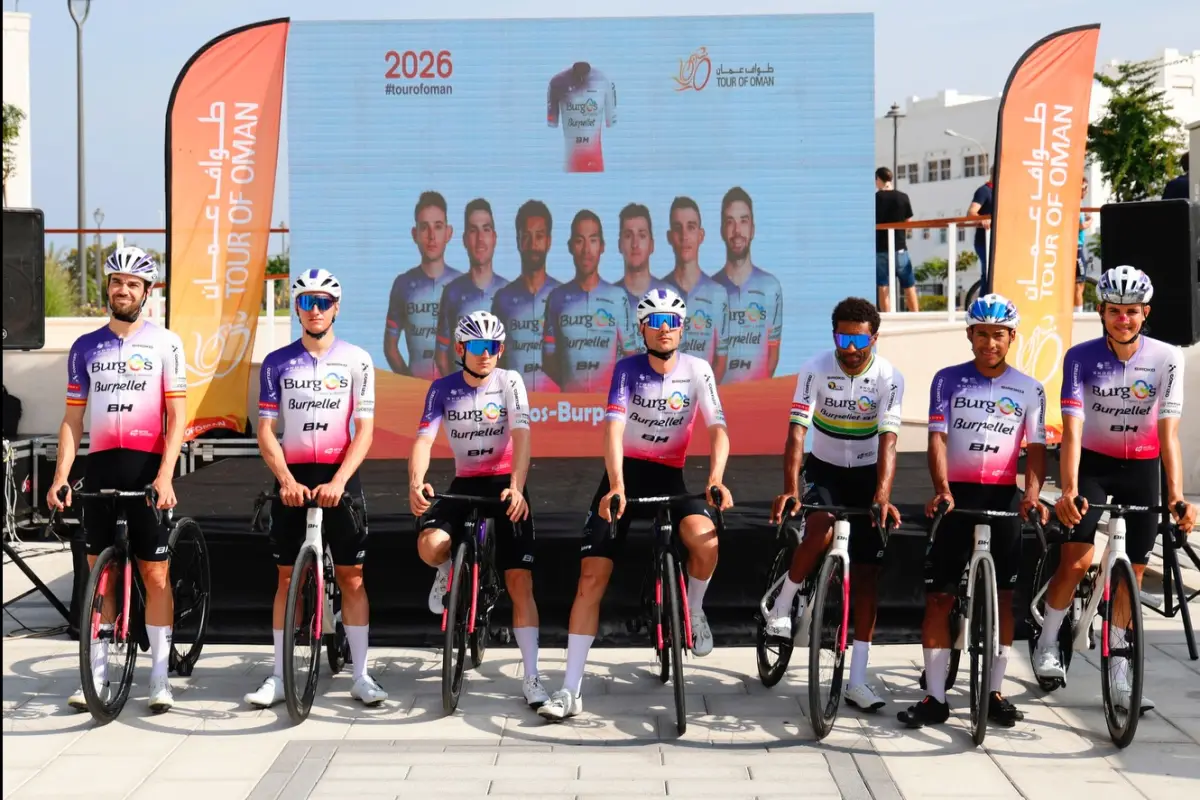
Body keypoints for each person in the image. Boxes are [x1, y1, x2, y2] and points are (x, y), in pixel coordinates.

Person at [538, 288, 734, 722]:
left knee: (706, 542)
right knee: (591, 579)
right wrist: (616, 485)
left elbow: (717, 429)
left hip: (671, 477)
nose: (665, 329)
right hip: (623, 477)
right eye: (655, 322)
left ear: (682, 328)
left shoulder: (697, 370)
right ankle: (570, 689)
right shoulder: (627, 370)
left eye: (672, 322)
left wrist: (716, 478)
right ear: (641, 329)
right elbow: (613, 429)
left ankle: (694, 609)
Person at [1032, 266, 1196, 713]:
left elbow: (1168, 434)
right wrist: (1068, 489)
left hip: (1142, 467)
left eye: (1132, 311)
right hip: (1094, 465)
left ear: (1145, 313)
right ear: (1101, 312)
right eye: (1114, 311)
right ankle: (1048, 640)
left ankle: (1121, 673)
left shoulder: (1167, 358)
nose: (1123, 319)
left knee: (1132, 575)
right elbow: (1072, 429)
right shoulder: (1080, 357)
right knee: (1077, 559)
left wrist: (1176, 496)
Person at [900, 294, 1050, 729]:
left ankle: (994, 692)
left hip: (1003, 496)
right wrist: (942, 489)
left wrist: (1031, 495)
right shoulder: (947, 379)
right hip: (958, 495)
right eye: (981, 334)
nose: (989, 343)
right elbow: (937, 439)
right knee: (939, 597)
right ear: (969, 335)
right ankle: (934, 697)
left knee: (1004, 598)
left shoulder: (1030, 388)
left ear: (1012, 337)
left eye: (998, 335)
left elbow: (1036, 450)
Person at [48, 246, 187, 713]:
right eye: (115, 282)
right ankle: (97, 672)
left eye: (132, 283)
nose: (122, 289)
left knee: (155, 572)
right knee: (100, 576)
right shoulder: (85, 346)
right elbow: (73, 419)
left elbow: (177, 417)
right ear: (107, 288)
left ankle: (160, 678)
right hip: (102, 466)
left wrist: (166, 476)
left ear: (147, 292)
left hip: (147, 466)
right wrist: (61, 475)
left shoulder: (166, 343)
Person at [245, 269, 386, 709]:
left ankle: (361, 675)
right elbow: (266, 430)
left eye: (324, 302)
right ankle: (279, 675)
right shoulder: (277, 362)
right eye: (307, 302)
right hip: (293, 475)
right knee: (286, 578)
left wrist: (340, 481)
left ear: (336, 308)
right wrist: (285, 479)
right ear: (297, 308)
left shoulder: (357, 359)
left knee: (352, 577)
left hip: (339, 475)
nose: (316, 309)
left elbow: (364, 430)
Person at [766, 297, 904, 713]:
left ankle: (857, 680)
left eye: (859, 340)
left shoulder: (889, 377)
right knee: (820, 527)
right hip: (825, 470)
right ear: (834, 336)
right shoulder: (815, 369)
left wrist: (882, 495)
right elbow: (796, 432)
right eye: (843, 339)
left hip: (867, 474)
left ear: (874, 338)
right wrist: (790, 488)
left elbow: (889, 441)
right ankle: (782, 605)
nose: (851, 349)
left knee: (867, 577)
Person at [409, 311, 548, 707]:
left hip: (505, 483)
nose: (486, 354)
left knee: (520, 582)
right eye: (477, 346)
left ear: (500, 350)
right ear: (460, 348)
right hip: (465, 482)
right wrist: (416, 482)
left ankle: (533, 677)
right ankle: (447, 571)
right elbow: (423, 441)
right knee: (429, 544)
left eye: (493, 347)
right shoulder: (442, 389)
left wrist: (517, 488)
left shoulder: (509, 381)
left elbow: (522, 435)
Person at [541, 210, 638, 393]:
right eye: (579, 241)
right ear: (570, 246)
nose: (586, 250)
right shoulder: (557, 298)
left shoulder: (617, 297)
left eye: (593, 240)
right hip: (570, 405)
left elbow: (631, 355)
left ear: (602, 246)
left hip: (609, 404)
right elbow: (548, 358)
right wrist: (571, 386)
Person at [384, 191, 462, 379]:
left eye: (438, 227)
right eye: (424, 227)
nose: (431, 236)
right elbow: (390, 347)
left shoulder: (463, 285)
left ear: (449, 233)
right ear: (415, 234)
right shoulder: (403, 285)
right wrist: (408, 384)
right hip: (417, 390)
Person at [713, 186, 784, 383]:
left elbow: (773, 355)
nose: (737, 231)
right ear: (722, 230)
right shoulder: (710, 290)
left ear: (752, 229)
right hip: (719, 397)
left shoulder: (770, 288)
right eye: (730, 222)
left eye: (743, 221)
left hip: (756, 396)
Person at [492, 200, 561, 392]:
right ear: (518, 241)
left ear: (549, 241)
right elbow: (495, 363)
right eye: (526, 237)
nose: (533, 244)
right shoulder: (503, 299)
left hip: (557, 406)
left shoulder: (563, 296)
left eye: (539, 236)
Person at [435, 199, 509, 377]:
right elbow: (441, 356)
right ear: (465, 240)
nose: (480, 239)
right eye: (473, 230)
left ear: (494, 238)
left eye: (486, 229)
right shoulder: (452, 293)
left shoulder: (510, 292)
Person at [662, 197, 731, 382]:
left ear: (701, 235)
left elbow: (721, 362)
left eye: (691, 227)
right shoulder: (657, 293)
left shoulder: (718, 295)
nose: (684, 236)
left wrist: (704, 395)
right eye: (678, 228)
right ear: (669, 236)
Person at [547, 61, 616, 173]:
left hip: (596, 164)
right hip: (570, 165)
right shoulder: (557, 83)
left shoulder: (603, 81)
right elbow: (552, 123)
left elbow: (611, 120)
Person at [874, 168, 917, 313]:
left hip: (880, 247)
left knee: (883, 285)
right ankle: (916, 315)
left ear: (878, 179)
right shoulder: (903, 197)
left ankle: (886, 318)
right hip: (900, 247)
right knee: (908, 284)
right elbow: (908, 223)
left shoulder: (874, 199)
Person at [614, 203, 667, 312]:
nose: (635, 244)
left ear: (651, 245)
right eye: (628, 236)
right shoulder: (609, 299)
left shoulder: (669, 296)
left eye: (642, 236)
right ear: (619, 245)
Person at [967, 167, 995, 291]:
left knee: (994, 274)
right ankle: (984, 301)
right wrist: (982, 219)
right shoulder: (984, 191)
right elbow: (971, 213)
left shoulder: (1002, 193)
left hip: (999, 241)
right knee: (988, 274)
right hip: (984, 241)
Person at [1075, 177, 1094, 313]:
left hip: (1078, 246)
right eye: (1084, 188)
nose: (1086, 191)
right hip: (1076, 248)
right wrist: (1090, 220)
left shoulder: (1078, 204)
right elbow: (1080, 226)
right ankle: (1078, 314)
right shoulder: (1075, 203)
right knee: (1079, 283)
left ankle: (1076, 312)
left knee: (1080, 283)